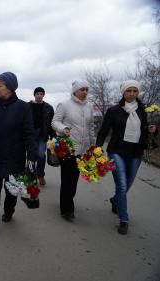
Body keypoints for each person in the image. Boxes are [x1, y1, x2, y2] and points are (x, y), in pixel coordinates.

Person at [0, 72, 38, 239]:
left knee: (11, 190)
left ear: (10, 87)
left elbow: (29, 133)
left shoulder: (23, 108)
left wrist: (32, 155)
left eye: (0, 86)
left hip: (14, 157)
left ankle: (9, 211)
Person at [96, 80, 157, 235]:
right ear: (123, 93)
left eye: (134, 91)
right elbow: (103, 131)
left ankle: (115, 200)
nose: (131, 94)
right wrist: (97, 149)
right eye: (128, 91)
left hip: (136, 152)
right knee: (122, 185)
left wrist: (152, 130)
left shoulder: (143, 110)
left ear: (137, 93)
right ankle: (124, 219)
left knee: (128, 184)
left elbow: (146, 131)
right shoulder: (114, 111)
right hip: (117, 151)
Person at [52, 80, 95, 221]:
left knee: (74, 180)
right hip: (68, 148)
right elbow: (55, 122)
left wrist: (93, 146)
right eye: (82, 89)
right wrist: (63, 128)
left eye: (86, 89)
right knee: (67, 179)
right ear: (75, 91)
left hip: (83, 150)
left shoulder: (89, 107)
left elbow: (91, 128)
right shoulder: (64, 105)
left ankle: (67, 201)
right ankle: (66, 209)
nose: (85, 92)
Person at [28, 87, 55, 186]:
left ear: (43, 95)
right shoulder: (28, 106)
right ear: (34, 95)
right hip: (31, 135)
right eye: (37, 94)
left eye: (41, 94)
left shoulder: (48, 107)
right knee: (31, 157)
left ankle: (40, 175)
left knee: (41, 155)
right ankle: (31, 177)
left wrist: (53, 136)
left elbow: (52, 123)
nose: (39, 95)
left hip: (42, 135)